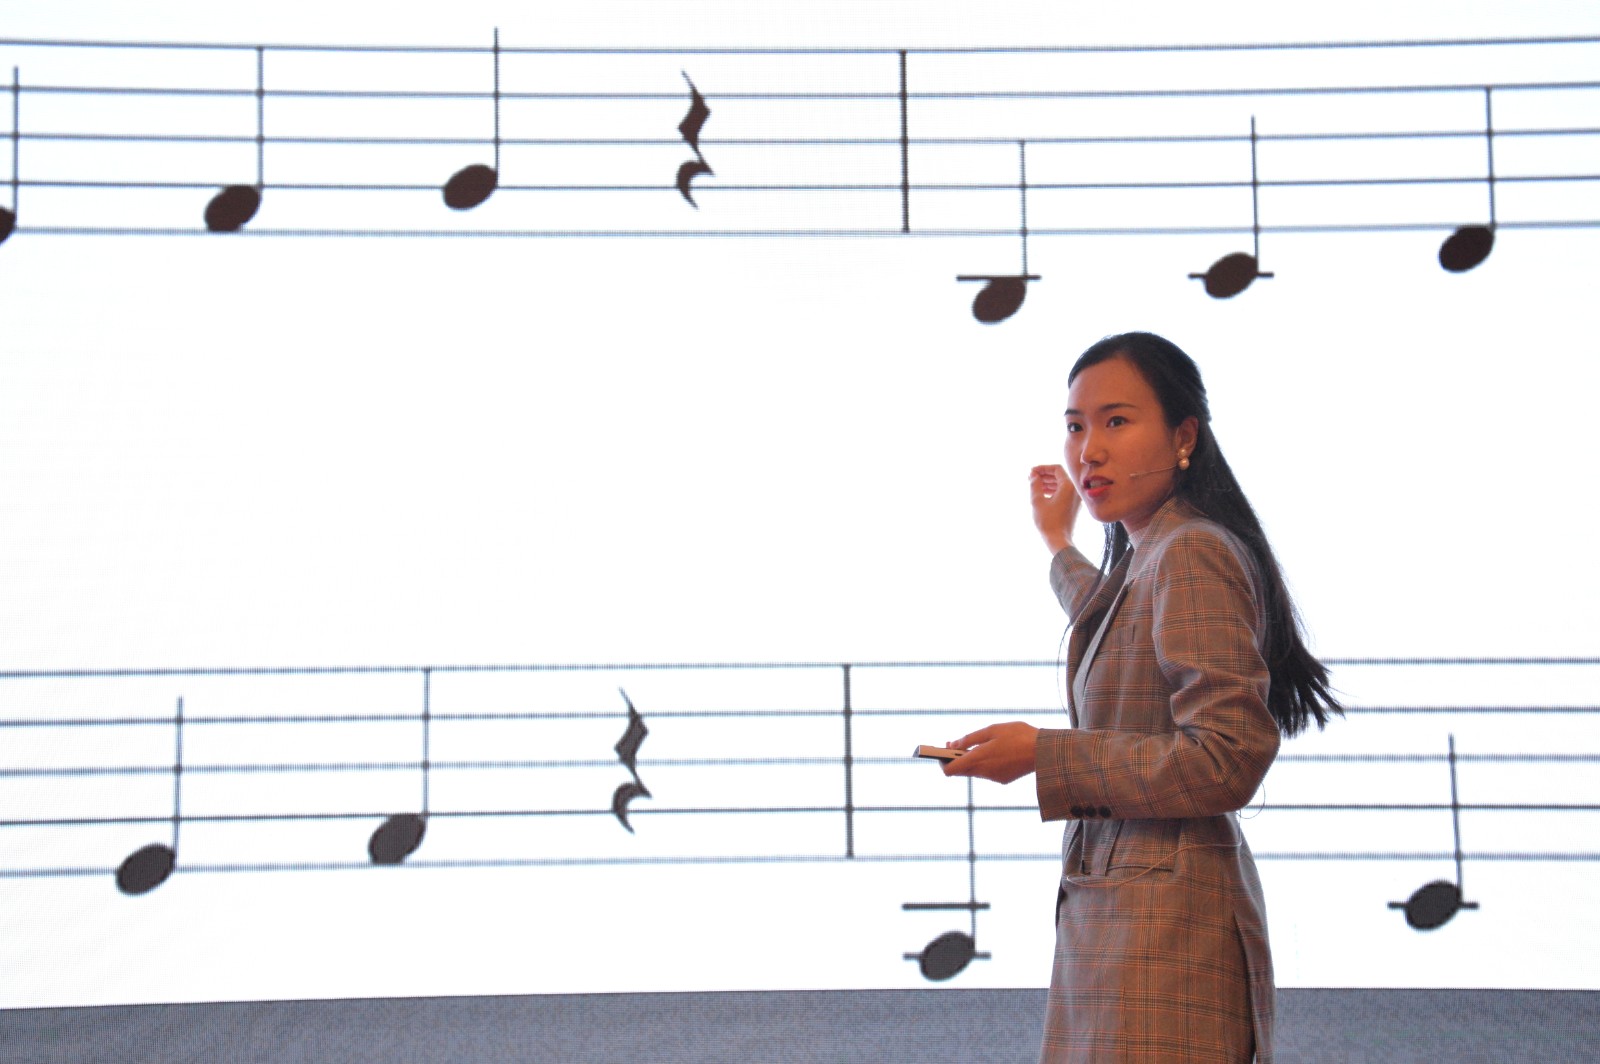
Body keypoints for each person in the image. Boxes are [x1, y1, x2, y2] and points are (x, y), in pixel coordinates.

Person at [942, 331, 1341, 1064]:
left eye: (1116, 421)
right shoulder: (1155, 553)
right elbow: (1112, 622)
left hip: (1167, 941)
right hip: (1133, 927)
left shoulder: (1191, 551)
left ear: (1184, 436)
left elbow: (1227, 757)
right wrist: (1057, 542)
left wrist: (1044, 755)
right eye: (1075, 426)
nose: (1088, 450)